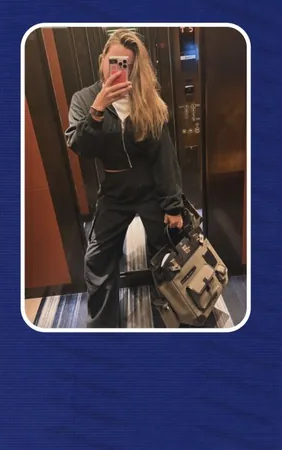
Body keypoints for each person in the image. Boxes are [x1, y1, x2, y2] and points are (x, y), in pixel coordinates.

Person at [64, 29, 184, 329]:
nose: (117, 69)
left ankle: (173, 315)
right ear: (102, 60)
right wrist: (97, 110)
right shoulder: (84, 99)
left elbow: (164, 156)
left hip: (151, 189)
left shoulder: (146, 99)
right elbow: (79, 146)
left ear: (134, 67)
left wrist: (173, 205)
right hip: (114, 191)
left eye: (126, 64)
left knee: (167, 255)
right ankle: (104, 328)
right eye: (113, 61)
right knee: (97, 259)